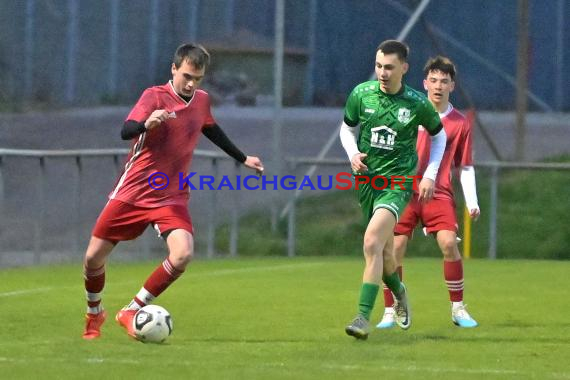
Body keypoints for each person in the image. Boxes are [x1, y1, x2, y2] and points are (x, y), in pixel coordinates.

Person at [82, 43, 264, 340]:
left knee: (182, 255)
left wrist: (243, 158)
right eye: (187, 76)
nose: (192, 84)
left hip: (171, 195)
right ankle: (94, 313)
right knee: (92, 259)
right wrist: (145, 123)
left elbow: (210, 128)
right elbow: (126, 130)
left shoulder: (202, 100)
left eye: (198, 78)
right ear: (174, 69)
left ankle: (131, 310)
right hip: (134, 190)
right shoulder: (154, 96)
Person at [339, 40, 447, 340]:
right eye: (378, 66)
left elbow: (440, 137)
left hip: (397, 184)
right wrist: (352, 154)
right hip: (367, 183)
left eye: (388, 67)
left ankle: (362, 317)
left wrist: (429, 174)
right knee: (385, 255)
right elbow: (347, 128)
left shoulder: (416, 104)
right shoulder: (361, 94)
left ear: (404, 68)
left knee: (372, 242)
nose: (382, 73)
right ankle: (399, 292)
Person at [376, 56, 479, 329]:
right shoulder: (407, 112)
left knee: (448, 244)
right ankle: (391, 309)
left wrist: (472, 202)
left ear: (452, 86)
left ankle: (458, 308)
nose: (438, 86)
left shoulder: (459, 123)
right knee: (394, 248)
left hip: (439, 192)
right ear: (424, 83)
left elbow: (465, 166)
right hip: (404, 191)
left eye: (444, 81)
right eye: (433, 80)